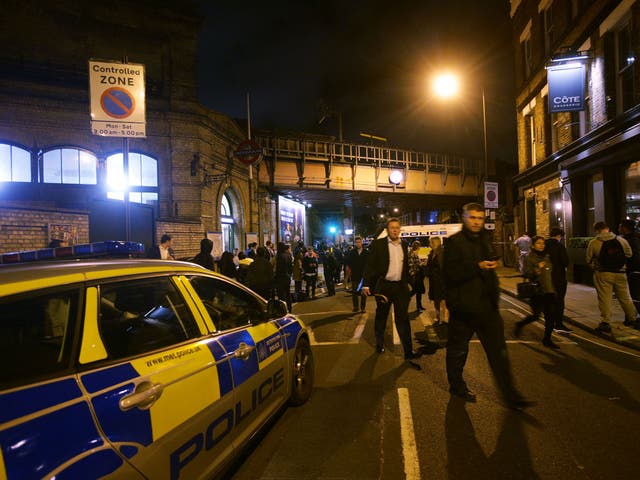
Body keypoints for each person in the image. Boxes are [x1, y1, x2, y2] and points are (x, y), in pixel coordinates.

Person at [443, 202, 533, 409]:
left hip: (487, 307)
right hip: (464, 309)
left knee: (499, 353)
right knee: (458, 351)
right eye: (472, 217)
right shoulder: (454, 243)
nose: (476, 222)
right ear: (464, 218)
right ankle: (456, 385)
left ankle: (511, 395)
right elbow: (450, 274)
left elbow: (490, 266)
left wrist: (493, 270)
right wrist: (477, 266)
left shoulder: (486, 239)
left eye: (480, 218)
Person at [362, 217, 421, 364]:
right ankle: (379, 344)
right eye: (392, 227)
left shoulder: (405, 245)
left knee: (403, 320)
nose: (395, 230)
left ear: (399, 229)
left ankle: (408, 352)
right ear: (387, 230)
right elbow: (370, 265)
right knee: (381, 317)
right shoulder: (378, 244)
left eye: (397, 227)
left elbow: (406, 266)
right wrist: (366, 284)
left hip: (400, 288)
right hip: (385, 287)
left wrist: (408, 283)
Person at [586, 221, 637, 333]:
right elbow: (629, 254)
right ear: (608, 228)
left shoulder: (594, 243)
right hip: (620, 272)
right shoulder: (621, 240)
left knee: (605, 298)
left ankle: (606, 322)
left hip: (603, 273)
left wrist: (595, 267)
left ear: (596, 230)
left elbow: (588, 259)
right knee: (625, 297)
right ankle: (633, 318)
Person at [514, 236, 558, 348]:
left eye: (543, 243)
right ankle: (520, 324)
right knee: (536, 316)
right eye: (538, 243)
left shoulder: (547, 257)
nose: (541, 245)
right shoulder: (529, 258)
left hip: (549, 291)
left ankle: (547, 339)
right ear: (533, 245)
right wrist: (537, 268)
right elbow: (527, 273)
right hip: (537, 292)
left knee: (551, 317)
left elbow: (551, 274)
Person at [545, 227, 571, 332]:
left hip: (546, 277)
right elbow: (565, 262)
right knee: (559, 300)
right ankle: (558, 323)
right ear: (559, 236)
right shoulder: (559, 247)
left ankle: (548, 323)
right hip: (558, 277)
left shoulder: (543, 245)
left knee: (548, 301)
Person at [618, 219, 640, 329]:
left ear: (625, 228)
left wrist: (630, 268)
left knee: (633, 295)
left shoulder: (631, 240)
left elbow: (634, 256)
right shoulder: (636, 237)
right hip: (634, 271)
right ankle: (631, 318)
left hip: (634, 271)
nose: (619, 228)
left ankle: (633, 319)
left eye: (620, 226)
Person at [426, 236, 445, 324]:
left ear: (434, 243)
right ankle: (438, 317)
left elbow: (443, 267)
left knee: (442, 299)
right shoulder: (431, 253)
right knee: (435, 299)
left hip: (441, 280)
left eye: (430, 242)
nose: (429, 244)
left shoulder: (442, 253)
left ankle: (444, 317)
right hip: (433, 280)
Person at [346, 236, 368, 313]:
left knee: (363, 292)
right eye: (357, 242)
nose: (358, 244)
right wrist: (348, 272)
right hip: (355, 274)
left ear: (362, 242)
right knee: (354, 292)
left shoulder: (366, 252)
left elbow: (368, 264)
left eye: (359, 242)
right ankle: (355, 307)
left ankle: (363, 307)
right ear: (355, 243)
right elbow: (348, 263)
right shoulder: (352, 252)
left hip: (363, 275)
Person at [275, 242, 293, 312]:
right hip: (287, 277)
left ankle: (283, 309)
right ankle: (289, 307)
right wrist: (289, 274)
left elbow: (278, 269)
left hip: (281, 277)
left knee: (281, 295)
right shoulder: (288, 255)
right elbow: (291, 267)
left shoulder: (279, 256)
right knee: (288, 293)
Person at [408, 240, 426, 312]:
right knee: (416, 290)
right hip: (415, 275)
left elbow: (416, 264)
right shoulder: (412, 254)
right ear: (417, 247)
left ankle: (419, 306)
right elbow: (411, 266)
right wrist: (423, 264)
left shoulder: (414, 254)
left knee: (419, 291)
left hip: (417, 275)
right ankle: (405, 297)